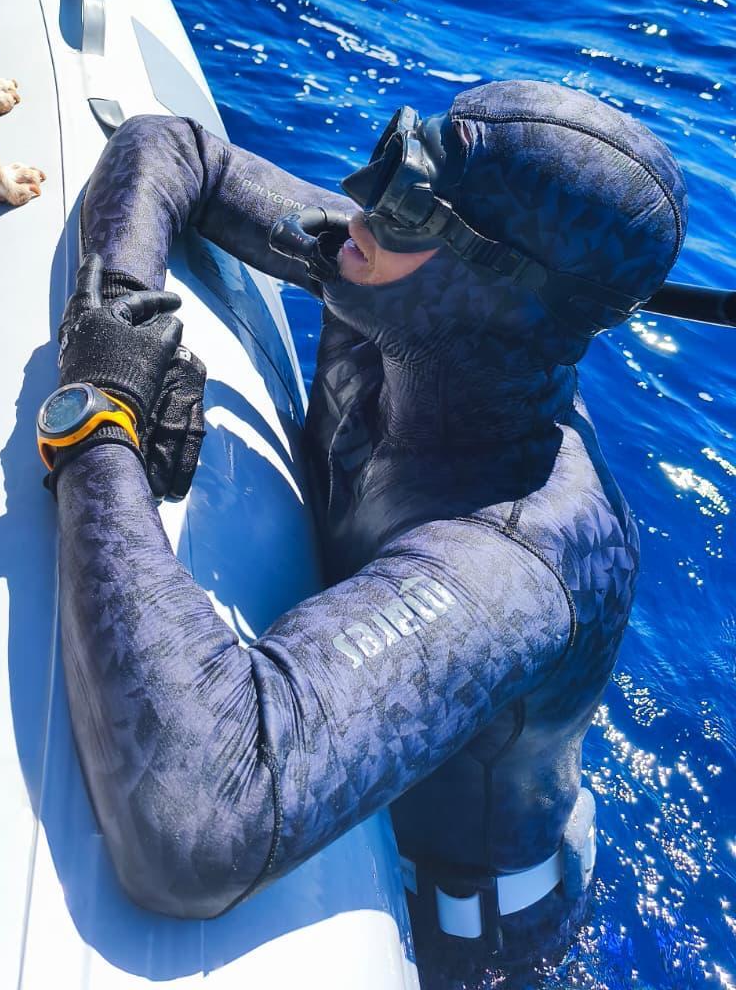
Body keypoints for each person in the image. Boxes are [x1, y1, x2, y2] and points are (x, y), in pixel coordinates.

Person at [35, 79, 687, 983]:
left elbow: (193, 822)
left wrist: (99, 417)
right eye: (397, 152)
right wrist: (124, 317)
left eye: (413, 194)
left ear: (496, 285)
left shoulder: (520, 557)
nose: (363, 197)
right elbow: (172, 147)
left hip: (469, 941)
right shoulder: (391, 283)